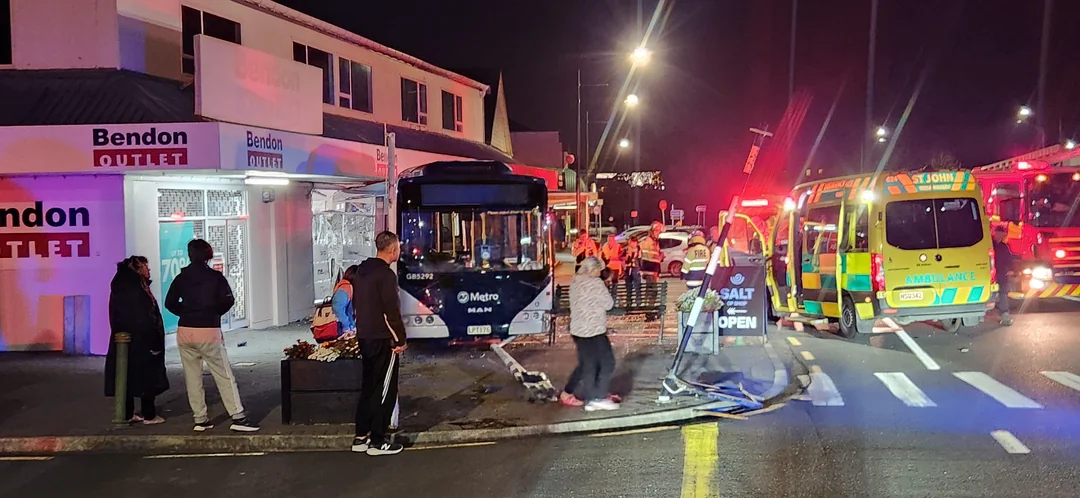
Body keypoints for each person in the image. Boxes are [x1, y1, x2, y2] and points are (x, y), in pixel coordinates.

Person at [165, 239, 260, 433]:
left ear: (190, 254)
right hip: (208, 329)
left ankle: (200, 419)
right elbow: (228, 300)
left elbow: (169, 302)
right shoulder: (215, 278)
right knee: (223, 374)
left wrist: (186, 312)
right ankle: (238, 416)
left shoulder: (181, 277)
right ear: (208, 254)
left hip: (185, 329)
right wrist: (213, 313)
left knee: (192, 376)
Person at [350, 231, 408, 456]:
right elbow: (390, 310)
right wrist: (400, 339)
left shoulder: (362, 271)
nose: (399, 251)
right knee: (385, 390)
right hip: (383, 338)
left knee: (369, 387)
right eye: (399, 247)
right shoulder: (385, 275)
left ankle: (360, 436)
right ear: (393, 249)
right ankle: (378, 440)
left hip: (365, 336)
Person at [105, 256, 169, 425]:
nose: (149, 270)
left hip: (123, 341)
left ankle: (126, 413)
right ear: (138, 268)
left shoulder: (119, 287)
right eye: (146, 267)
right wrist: (155, 341)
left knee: (126, 376)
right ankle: (149, 414)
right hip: (143, 341)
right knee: (147, 378)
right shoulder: (138, 290)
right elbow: (146, 318)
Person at [562, 257, 619, 411]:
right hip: (593, 330)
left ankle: (571, 393)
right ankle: (596, 397)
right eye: (598, 270)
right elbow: (609, 304)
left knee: (587, 364)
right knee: (607, 363)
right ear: (593, 270)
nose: (599, 273)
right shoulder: (595, 283)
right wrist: (604, 285)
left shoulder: (575, 281)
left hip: (578, 330)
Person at [992, 226, 1015, 326]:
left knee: (1002, 294)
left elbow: (1009, 260)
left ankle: (1005, 315)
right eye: (998, 233)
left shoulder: (1004, 246)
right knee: (993, 293)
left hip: (1001, 273)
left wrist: (1010, 270)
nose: (1000, 235)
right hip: (991, 273)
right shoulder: (990, 244)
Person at [332, 265, 359, 337]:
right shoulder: (345, 288)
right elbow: (338, 309)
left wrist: (352, 327)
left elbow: (348, 311)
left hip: (344, 327)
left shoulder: (347, 287)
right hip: (340, 328)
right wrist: (347, 326)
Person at [623, 237, 643, 305]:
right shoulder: (626, 250)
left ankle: (638, 302)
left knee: (637, 286)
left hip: (636, 269)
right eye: (632, 242)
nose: (633, 244)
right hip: (628, 269)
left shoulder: (639, 250)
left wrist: (641, 269)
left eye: (635, 242)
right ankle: (629, 302)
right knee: (628, 287)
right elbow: (623, 259)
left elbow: (640, 260)